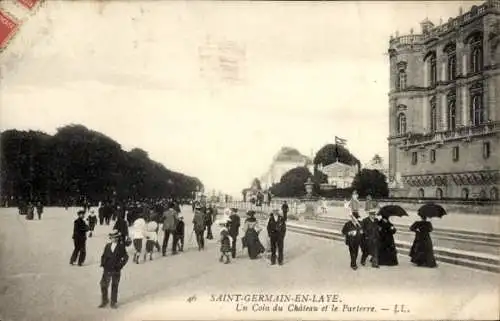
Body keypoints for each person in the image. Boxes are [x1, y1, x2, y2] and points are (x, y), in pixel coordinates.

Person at [98, 230, 129, 309]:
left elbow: (126, 257)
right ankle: (105, 300)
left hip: (116, 269)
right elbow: (104, 255)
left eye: (115, 237)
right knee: (103, 285)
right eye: (112, 237)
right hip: (107, 268)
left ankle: (113, 302)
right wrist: (103, 263)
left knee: (115, 285)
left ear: (118, 238)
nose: (114, 239)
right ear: (110, 238)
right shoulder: (108, 245)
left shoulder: (121, 246)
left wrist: (120, 265)